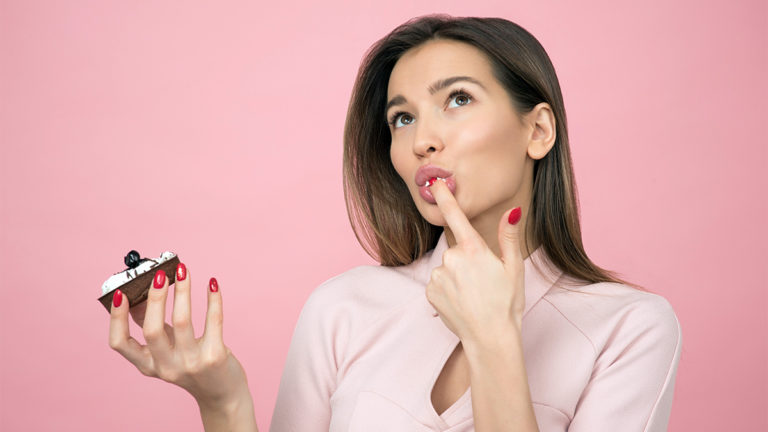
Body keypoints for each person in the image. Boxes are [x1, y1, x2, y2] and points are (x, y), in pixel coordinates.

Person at [108, 15, 682, 432]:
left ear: (538, 131)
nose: (420, 140)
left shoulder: (630, 328)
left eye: (457, 99)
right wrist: (224, 401)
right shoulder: (345, 307)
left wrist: (493, 341)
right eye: (401, 117)